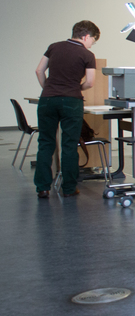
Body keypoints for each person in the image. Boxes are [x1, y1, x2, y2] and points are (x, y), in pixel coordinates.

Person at [33, 20, 100, 198]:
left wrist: (48, 88)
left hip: (47, 100)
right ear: (86, 36)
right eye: (93, 40)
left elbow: (39, 71)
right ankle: (69, 188)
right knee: (69, 145)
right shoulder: (87, 55)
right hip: (71, 101)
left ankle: (42, 188)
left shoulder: (53, 47)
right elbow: (90, 82)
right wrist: (75, 89)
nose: (91, 44)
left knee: (45, 143)